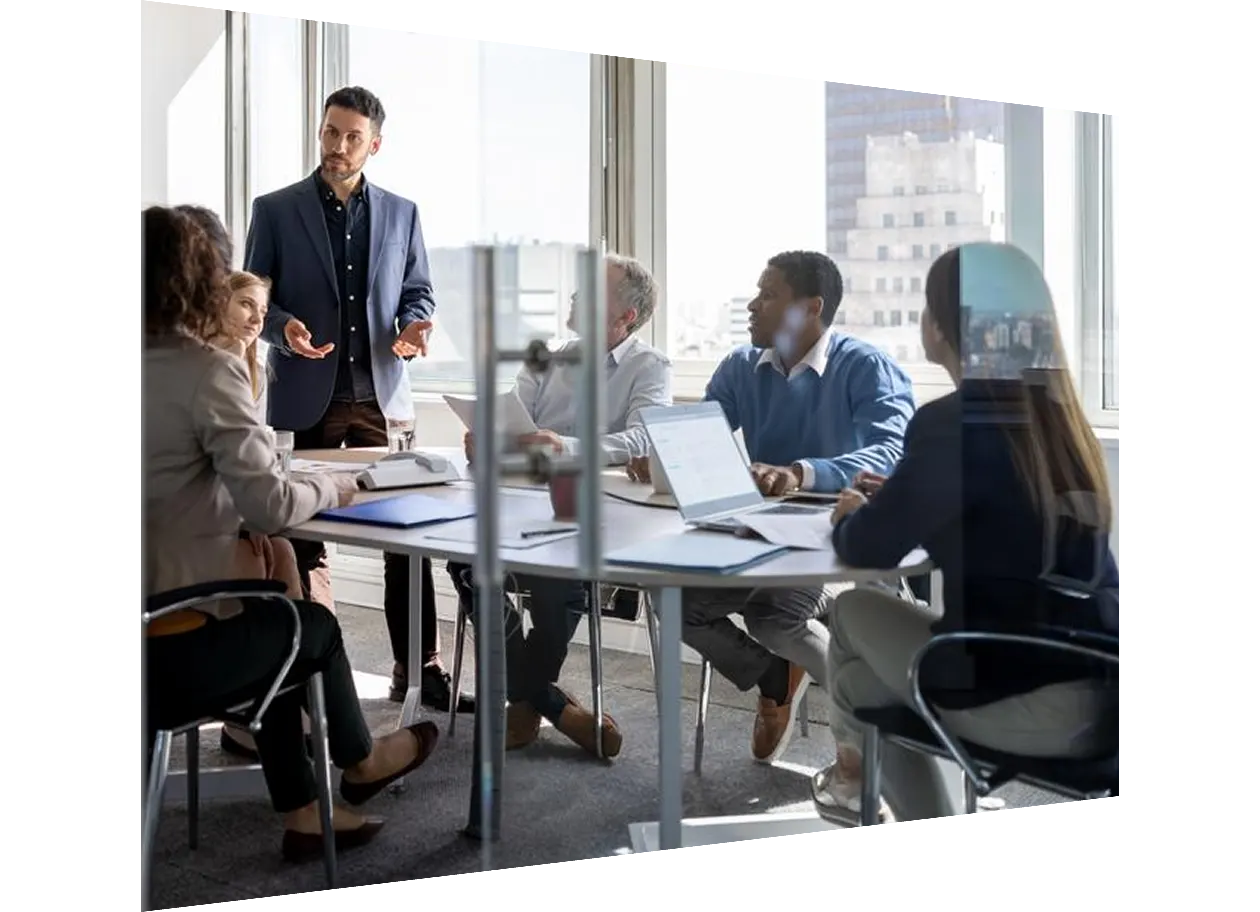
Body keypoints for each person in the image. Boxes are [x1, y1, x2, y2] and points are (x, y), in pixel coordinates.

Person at [143, 206, 440, 863]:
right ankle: (361, 761)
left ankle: (306, 814)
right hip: (172, 661)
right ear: (202, 279)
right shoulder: (205, 371)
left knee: (270, 597)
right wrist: (334, 486)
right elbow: (274, 504)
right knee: (313, 626)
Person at [815, 242, 1119, 826]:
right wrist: (907, 495)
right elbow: (998, 518)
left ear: (941, 326)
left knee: (852, 612)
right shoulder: (1060, 425)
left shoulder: (949, 423)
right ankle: (916, 830)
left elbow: (864, 549)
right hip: (1103, 689)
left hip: (1016, 696)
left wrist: (852, 509)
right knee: (858, 681)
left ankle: (875, 796)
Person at [628, 250, 916, 764]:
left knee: (773, 618)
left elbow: (890, 453)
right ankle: (774, 677)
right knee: (673, 601)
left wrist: (801, 472)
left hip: (836, 537)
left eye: (768, 294)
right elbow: (703, 438)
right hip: (759, 533)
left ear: (810, 308)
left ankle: (881, 727)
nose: (753, 306)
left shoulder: (866, 366)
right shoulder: (741, 366)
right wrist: (664, 458)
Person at [243, 85, 472, 715]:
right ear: (320, 131)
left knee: (407, 537)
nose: (338, 147)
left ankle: (418, 671)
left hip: (379, 397)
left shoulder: (403, 213)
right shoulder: (275, 209)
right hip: (303, 395)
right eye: (329, 133)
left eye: (351, 137)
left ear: (375, 143)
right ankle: (316, 671)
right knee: (302, 537)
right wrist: (279, 324)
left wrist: (417, 324)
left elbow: (418, 292)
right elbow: (250, 300)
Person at [448, 254, 671, 758]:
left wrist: (565, 446)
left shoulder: (649, 366)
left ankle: (527, 699)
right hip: (519, 500)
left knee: (556, 578)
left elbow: (644, 438)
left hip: (592, 513)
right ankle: (544, 699)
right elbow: (512, 419)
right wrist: (487, 438)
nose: (575, 297)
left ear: (624, 318)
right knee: (463, 558)